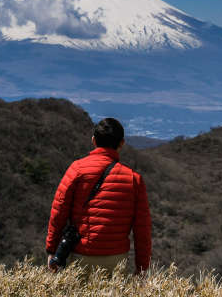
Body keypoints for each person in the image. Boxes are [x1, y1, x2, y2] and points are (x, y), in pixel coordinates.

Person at [46, 117, 151, 275]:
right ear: (121, 143)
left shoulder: (76, 169)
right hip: (117, 258)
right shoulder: (133, 179)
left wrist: (52, 250)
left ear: (93, 140)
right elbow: (142, 228)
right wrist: (142, 267)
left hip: (81, 253)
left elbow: (58, 212)